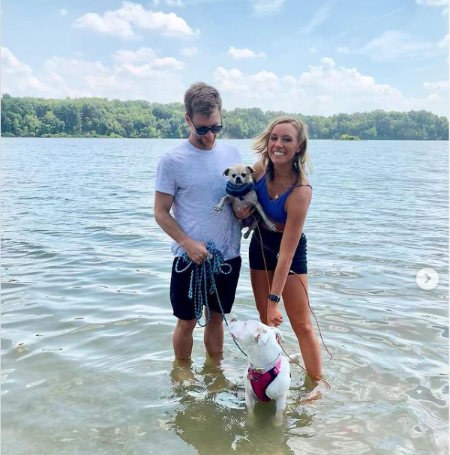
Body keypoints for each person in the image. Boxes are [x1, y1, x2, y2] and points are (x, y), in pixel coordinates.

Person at [154, 82, 243, 360]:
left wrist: (246, 214)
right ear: (188, 120)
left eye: (215, 128)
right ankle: (181, 375)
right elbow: (160, 212)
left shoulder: (232, 154)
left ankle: (214, 374)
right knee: (187, 322)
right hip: (189, 258)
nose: (208, 136)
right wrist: (187, 243)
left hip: (228, 256)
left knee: (217, 318)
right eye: (201, 129)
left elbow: (239, 198)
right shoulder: (172, 160)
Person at [248, 116, 322, 381]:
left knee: (301, 325)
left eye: (287, 139)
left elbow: (287, 254)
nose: (278, 144)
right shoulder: (257, 171)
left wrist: (274, 300)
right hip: (259, 244)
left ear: (299, 146)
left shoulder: (301, 191)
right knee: (265, 320)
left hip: (288, 252)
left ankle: (316, 384)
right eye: (274, 138)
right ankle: (275, 372)